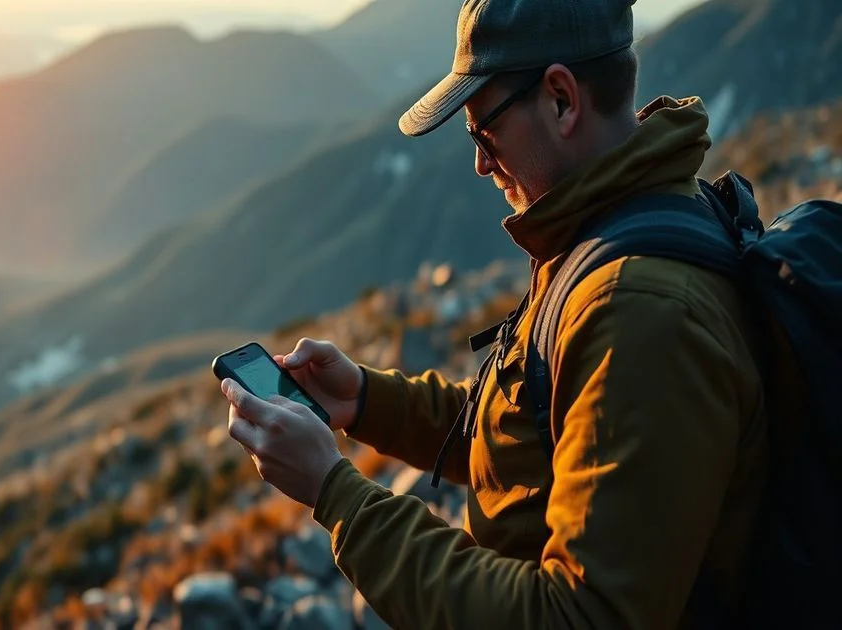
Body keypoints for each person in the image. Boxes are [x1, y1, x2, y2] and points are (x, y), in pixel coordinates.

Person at [219, 0, 769, 628]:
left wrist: (336, 494)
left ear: (561, 99)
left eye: (484, 131)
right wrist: (367, 402)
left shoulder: (640, 314)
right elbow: (534, 428)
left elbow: (578, 617)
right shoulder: (614, 223)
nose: (480, 162)